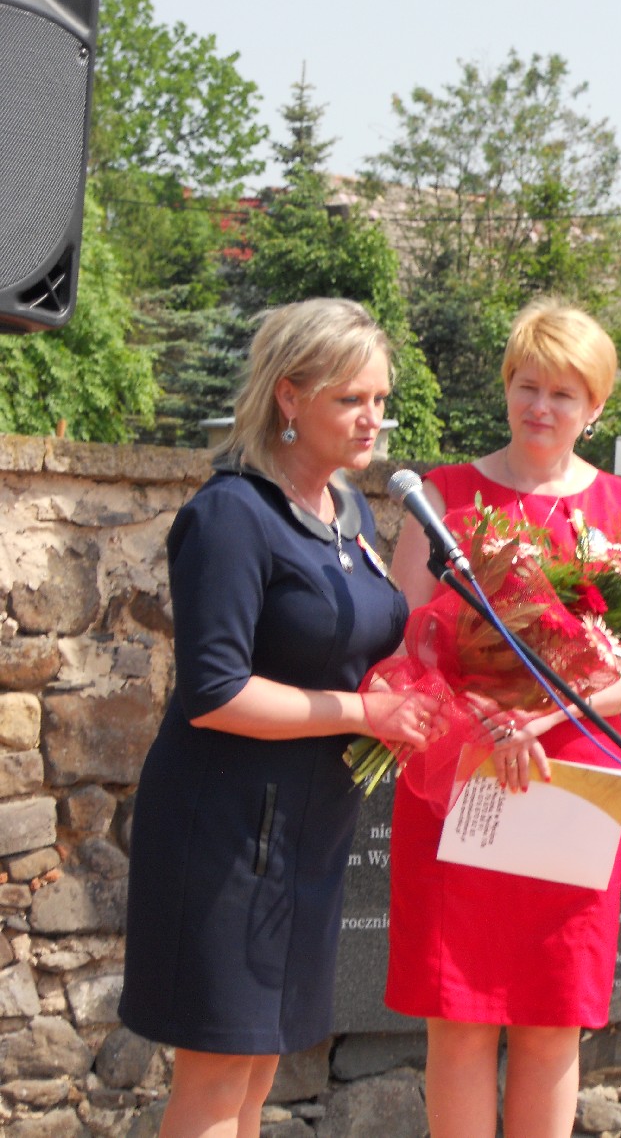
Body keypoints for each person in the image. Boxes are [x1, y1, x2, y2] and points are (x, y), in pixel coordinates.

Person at [119, 298, 437, 1138]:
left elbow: (356, 642)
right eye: (350, 398)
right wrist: (364, 710)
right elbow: (215, 692)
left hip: (310, 828)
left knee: (258, 1071)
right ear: (288, 396)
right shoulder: (231, 514)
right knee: (217, 1078)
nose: (372, 418)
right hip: (226, 833)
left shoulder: (349, 514)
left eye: (380, 398)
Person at [385, 297, 621, 1138]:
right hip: (459, 775)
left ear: (595, 406)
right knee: (459, 1016)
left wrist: (540, 720)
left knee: (552, 1017)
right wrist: (480, 721)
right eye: (527, 385)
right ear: (506, 386)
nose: (541, 407)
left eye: (563, 393)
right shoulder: (441, 498)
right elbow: (403, 646)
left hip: (568, 780)